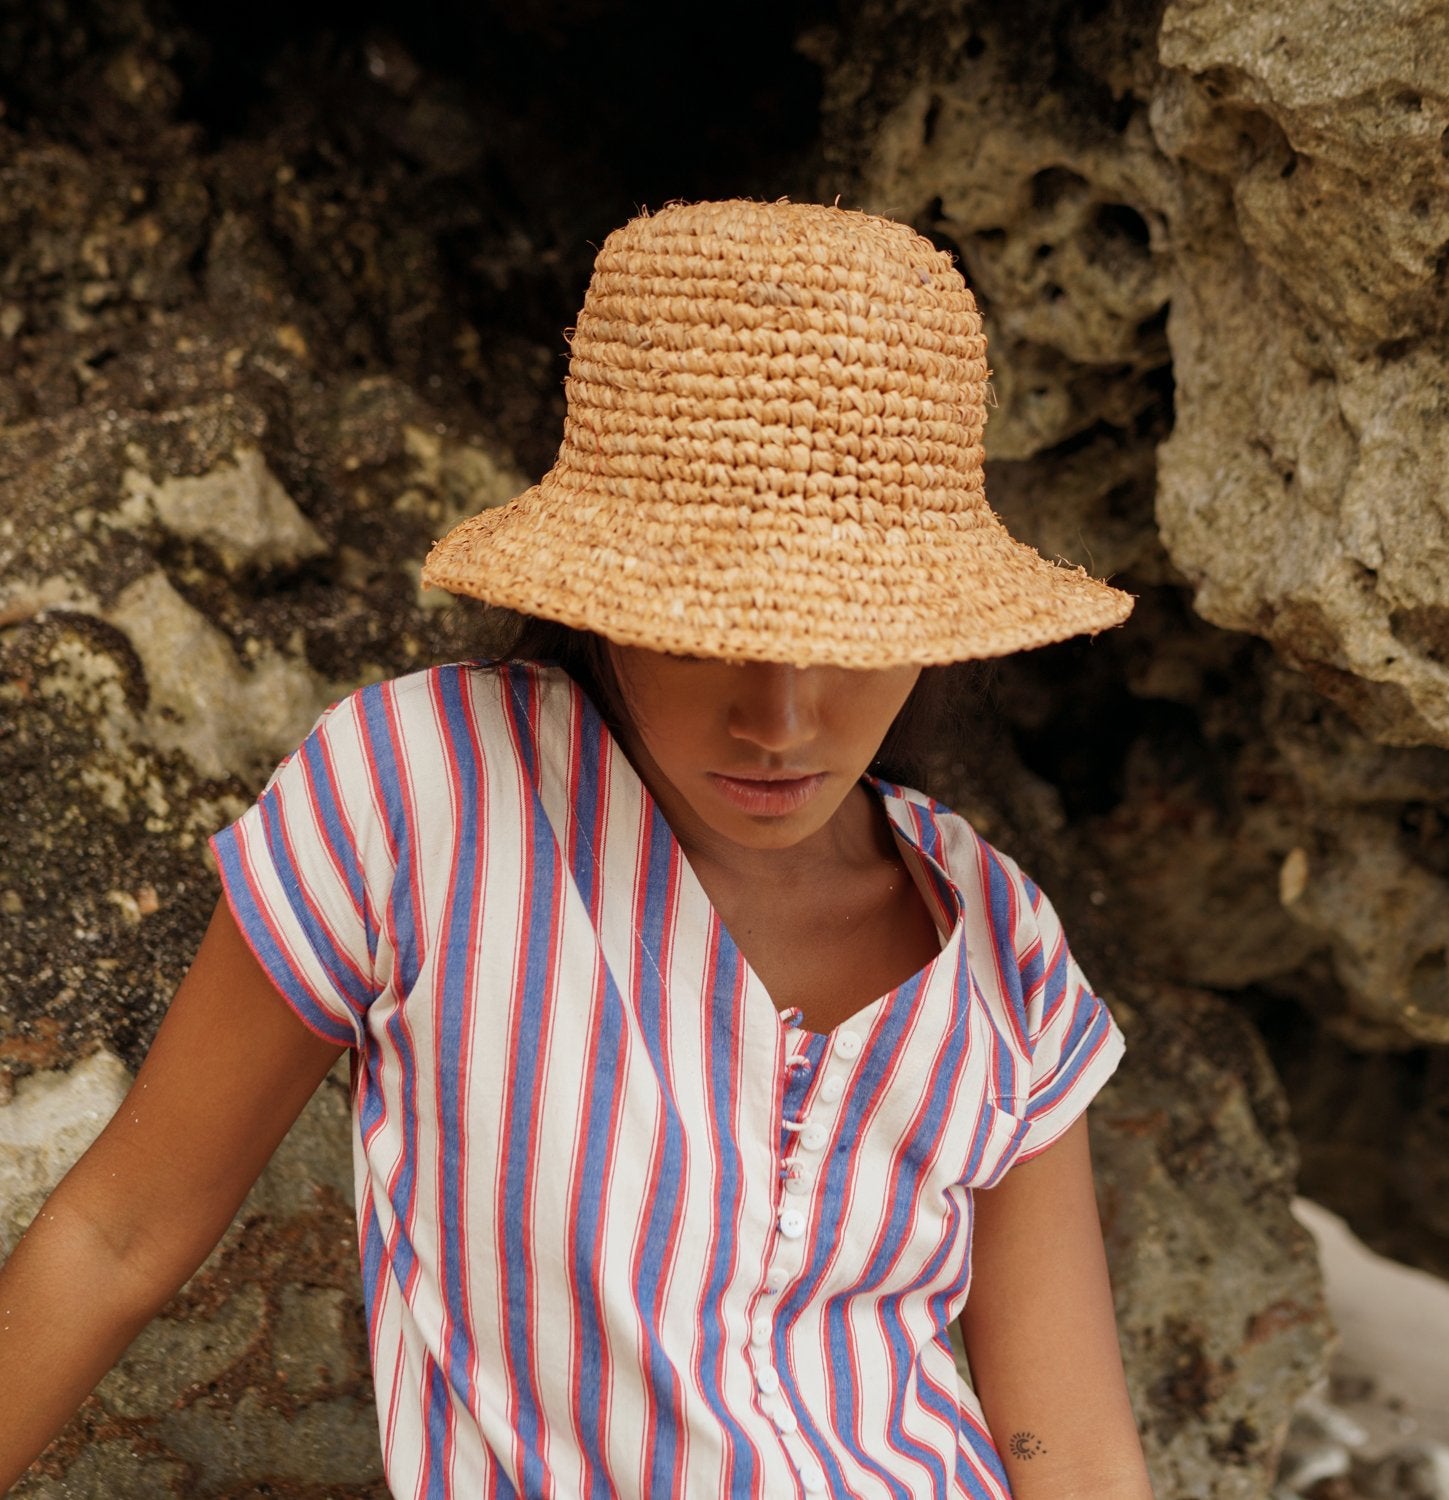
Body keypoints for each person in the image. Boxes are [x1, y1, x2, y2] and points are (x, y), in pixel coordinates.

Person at [0, 199, 1153, 1499]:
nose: (778, 718)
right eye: (701, 625)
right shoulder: (423, 793)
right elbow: (119, 1231)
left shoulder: (1003, 946)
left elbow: (1074, 1451)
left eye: (848, 633)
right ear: (602, 602)